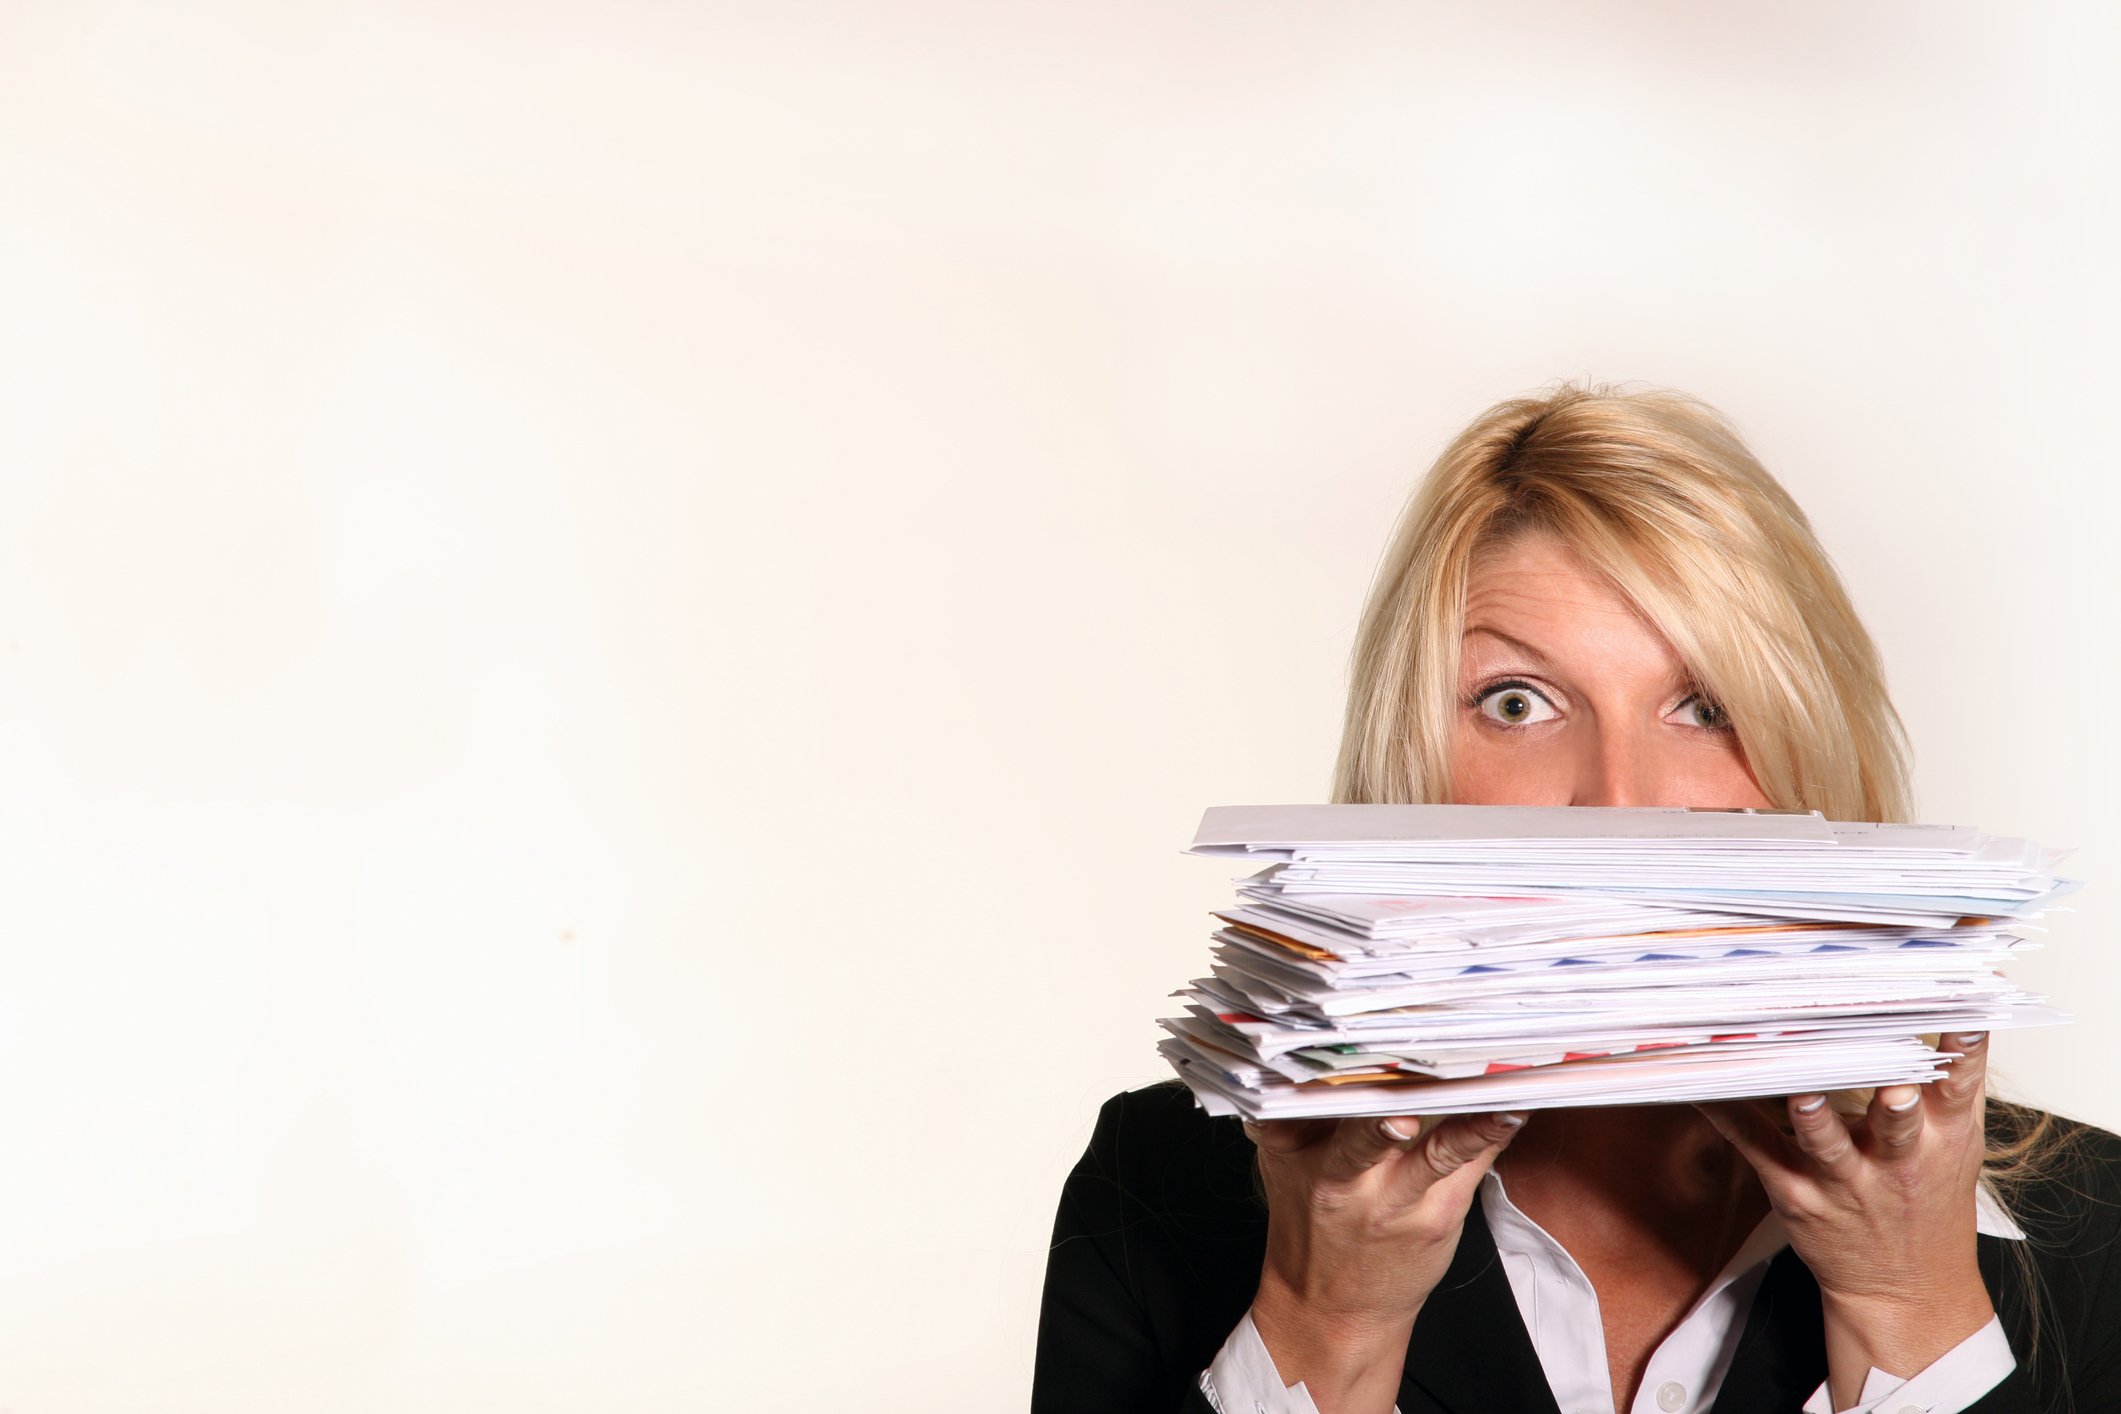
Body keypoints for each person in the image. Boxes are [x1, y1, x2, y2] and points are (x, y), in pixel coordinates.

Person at [1031, 385, 2121, 1414]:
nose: (1619, 797)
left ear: (1807, 760)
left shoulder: (2099, 1229)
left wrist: (1910, 1312)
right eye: (1518, 700)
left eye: (1704, 704)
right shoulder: (1164, 1189)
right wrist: (1328, 1321)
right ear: (1413, 765)